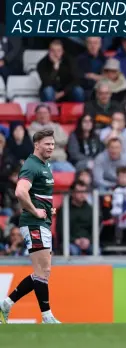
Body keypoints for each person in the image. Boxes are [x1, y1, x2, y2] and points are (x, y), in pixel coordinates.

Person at [0, 129, 60, 324]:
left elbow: (37, 194)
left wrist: (47, 208)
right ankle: (46, 315)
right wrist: (35, 211)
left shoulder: (45, 164)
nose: (51, 147)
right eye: (47, 144)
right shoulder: (31, 166)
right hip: (33, 222)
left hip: (41, 222)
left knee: (43, 271)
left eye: (52, 144)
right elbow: (20, 192)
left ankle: (7, 304)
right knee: (43, 270)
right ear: (37, 145)